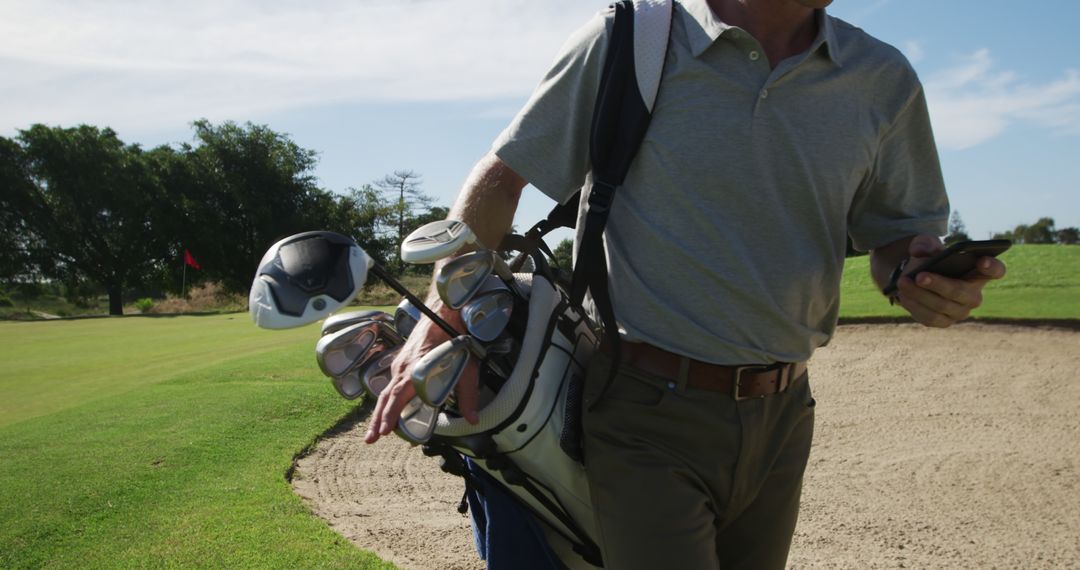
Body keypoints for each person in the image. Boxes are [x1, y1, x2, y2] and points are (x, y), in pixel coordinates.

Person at [365, 0, 1008, 568]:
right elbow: (504, 178)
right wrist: (438, 325)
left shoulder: (881, 77)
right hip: (644, 410)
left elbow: (898, 231)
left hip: (784, 413)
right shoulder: (634, 39)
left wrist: (913, 274)